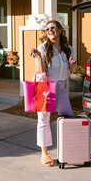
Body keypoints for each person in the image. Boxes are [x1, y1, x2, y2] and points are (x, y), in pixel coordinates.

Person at [30, 20, 77, 167]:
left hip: (61, 86)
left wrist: (72, 66)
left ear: (60, 30)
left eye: (53, 27)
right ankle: (44, 154)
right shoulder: (42, 48)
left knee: (68, 118)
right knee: (44, 121)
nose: (50, 30)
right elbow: (41, 72)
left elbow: (70, 71)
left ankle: (68, 150)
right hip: (46, 88)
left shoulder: (68, 48)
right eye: (47, 29)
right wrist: (38, 58)